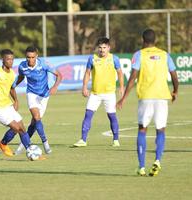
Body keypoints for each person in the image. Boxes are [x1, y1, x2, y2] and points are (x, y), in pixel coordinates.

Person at [117, 28, 179, 176]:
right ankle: (157, 160)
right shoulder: (165, 55)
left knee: (142, 129)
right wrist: (175, 91)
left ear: (142, 40)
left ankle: (142, 166)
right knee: (161, 129)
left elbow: (132, 78)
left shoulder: (139, 55)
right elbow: (174, 76)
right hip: (162, 96)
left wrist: (123, 98)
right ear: (155, 40)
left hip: (145, 96)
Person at [0, 49, 33, 158]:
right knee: (16, 128)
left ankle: (31, 151)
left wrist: (16, 101)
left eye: (12, 59)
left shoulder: (12, 74)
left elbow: (12, 88)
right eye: (8, 59)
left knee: (22, 128)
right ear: (2, 60)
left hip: (7, 105)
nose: (10, 62)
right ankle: (3, 143)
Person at [73, 37, 124, 148]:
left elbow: (120, 73)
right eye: (100, 47)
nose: (102, 50)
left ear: (109, 48)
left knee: (112, 116)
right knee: (88, 115)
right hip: (95, 94)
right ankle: (83, 140)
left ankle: (116, 140)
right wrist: (84, 87)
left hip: (109, 94)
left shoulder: (114, 59)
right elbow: (87, 73)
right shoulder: (92, 58)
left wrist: (121, 87)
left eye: (104, 47)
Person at [13, 46, 62, 155]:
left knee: (34, 123)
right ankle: (46, 143)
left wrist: (55, 87)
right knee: (36, 117)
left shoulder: (44, 64)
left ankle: (22, 145)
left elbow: (59, 75)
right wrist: (13, 86)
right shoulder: (22, 66)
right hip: (32, 94)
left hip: (44, 95)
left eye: (32, 57)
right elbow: (21, 76)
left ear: (37, 56)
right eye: (28, 57)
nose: (30, 60)